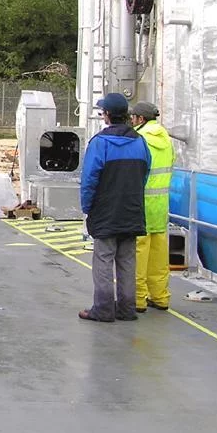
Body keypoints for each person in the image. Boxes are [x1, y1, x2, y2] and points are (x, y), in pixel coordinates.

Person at [79, 92, 151, 322]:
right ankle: (127, 309)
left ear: (108, 115)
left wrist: (87, 207)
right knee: (128, 260)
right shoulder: (140, 142)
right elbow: (145, 173)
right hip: (132, 210)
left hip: (106, 211)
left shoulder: (100, 143)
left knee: (103, 259)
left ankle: (103, 308)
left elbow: (90, 179)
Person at [130, 101, 175, 313]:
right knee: (158, 254)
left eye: (133, 118)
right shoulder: (166, 140)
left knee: (138, 252)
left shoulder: (140, 140)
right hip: (161, 205)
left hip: (141, 204)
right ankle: (160, 296)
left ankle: (138, 299)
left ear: (140, 119)